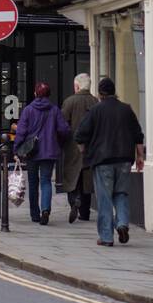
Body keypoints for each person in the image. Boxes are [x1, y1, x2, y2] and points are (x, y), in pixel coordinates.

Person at [75, 77, 144, 247]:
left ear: (99, 93)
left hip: (103, 160)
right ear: (114, 92)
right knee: (121, 194)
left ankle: (106, 237)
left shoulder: (95, 110)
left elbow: (79, 135)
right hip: (124, 160)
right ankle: (122, 224)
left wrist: (85, 151)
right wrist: (140, 157)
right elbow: (138, 134)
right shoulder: (126, 109)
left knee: (104, 199)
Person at [12, 82, 70, 226]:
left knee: (33, 182)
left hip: (32, 151)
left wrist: (16, 148)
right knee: (46, 181)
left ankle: (35, 214)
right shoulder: (55, 110)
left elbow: (21, 131)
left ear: (35, 94)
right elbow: (64, 129)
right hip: (49, 150)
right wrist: (58, 141)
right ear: (49, 94)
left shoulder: (28, 110)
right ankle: (45, 210)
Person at [62, 74, 97, 224]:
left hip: (73, 146)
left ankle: (74, 200)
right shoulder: (96, 102)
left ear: (77, 86)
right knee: (87, 179)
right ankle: (85, 212)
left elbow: (62, 124)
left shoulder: (70, 102)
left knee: (72, 176)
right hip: (91, 147)